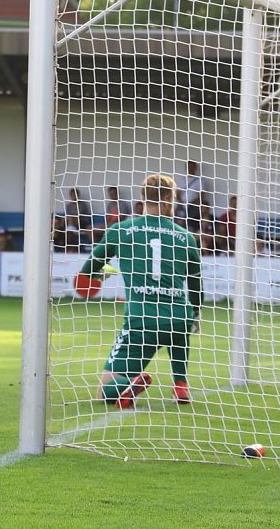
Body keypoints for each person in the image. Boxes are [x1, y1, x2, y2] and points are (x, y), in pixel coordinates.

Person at [77, 174, 203, 408]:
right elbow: (195, 282)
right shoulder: (185, 236)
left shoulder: (121, 230)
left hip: (142, 318)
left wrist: (110, 271)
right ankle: (180, 385)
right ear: (168, 198)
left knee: (104, 391)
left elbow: (88, 270)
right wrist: (195, 314)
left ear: (142, 197)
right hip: (179, 316)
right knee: (178, 335)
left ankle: (127, 385)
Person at [177, 160, 213, 232]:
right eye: (188, 167)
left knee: (191, 225)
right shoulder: (182, 180)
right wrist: (181, 203)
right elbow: (177, 193)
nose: (189, 168)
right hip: (182, 206)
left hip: (194, 207)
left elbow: (201, 195)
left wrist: (191, 203)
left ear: (195, 168)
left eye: (191, 167)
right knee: (179, 224)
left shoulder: (199, 180)